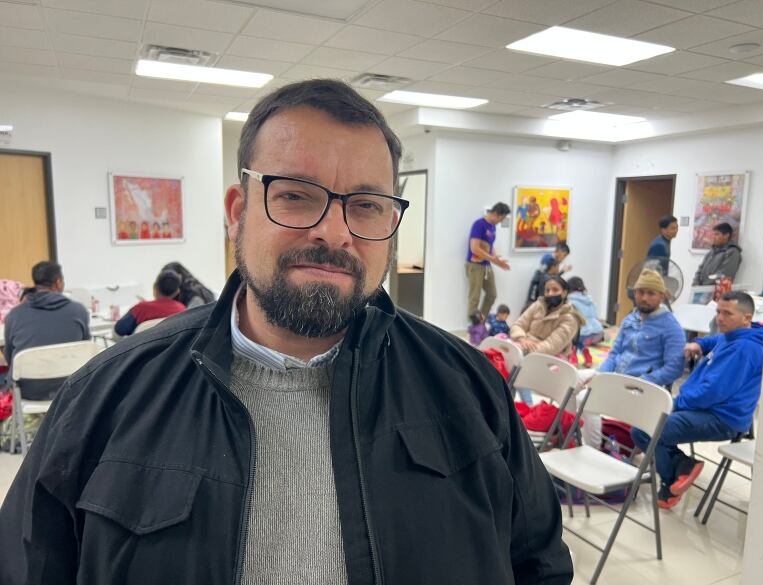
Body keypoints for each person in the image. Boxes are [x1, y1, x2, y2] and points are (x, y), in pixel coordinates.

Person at [0, 79, 572, 584]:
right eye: (296, 196)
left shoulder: (467, 388)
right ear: (236, 211)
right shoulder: (109, 395)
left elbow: (539, 563)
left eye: (367, 206)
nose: (334, 232)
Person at [631, 291, 763, 509]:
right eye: (718, 312)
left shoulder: (745, 349)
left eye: (727, 314)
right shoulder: (737, 335)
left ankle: (672, 479)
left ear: (747, 318)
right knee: (641, 427)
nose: (719, 318)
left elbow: (712, 393)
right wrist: (700, 344)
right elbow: (718, 339)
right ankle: (681, 466)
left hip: (722, 418)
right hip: (705, 408)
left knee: (649, 428)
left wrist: (676, 403)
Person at [577, 269, 685, 448]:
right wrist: (600, 375)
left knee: (585, 399)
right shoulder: (630, 319)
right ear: (634, 293)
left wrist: (643, 380)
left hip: (641, 387)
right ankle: (578, 433)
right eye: (641, 292)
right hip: (617, 377)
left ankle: (592, 449)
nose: (644, 298)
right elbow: (615, 353)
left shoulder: (671, 327)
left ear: (662, 296)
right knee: (573, 380)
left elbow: (674, 368)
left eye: (651, 293)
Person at [1, 261, 90, 398]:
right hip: (71, 389)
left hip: (27, 392)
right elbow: (85, 349)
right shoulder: (79, 311)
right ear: (58, 282)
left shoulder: (15, 315)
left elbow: (10, 357)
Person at [510, 275, 584, 404]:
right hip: (525, 346)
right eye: (547, 290)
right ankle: (507, 407)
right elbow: (517, 325)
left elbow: (551, 346)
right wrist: (522, 339)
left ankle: (527, 407)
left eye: (555, 290)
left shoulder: (571, 317)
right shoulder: (538, 305)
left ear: (565, 292)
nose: (550, 294)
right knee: (503, 358)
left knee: (516, 367)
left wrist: (524, 349)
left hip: (550, 358)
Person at [465, 202, 511, 320]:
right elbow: (474, 248)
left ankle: (480, 321)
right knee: (474, 297)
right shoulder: (479, 224)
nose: (501, 221)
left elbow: (490, 246)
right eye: (501, 218)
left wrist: (496, 259)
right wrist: (493, 259)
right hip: (475, 265)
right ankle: (473, 328)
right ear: (496, 214)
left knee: (492, 294)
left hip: (486, 265)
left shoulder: (492, 226)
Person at [113, 270, 187, 336]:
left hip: (142, 350)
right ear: (177, 292)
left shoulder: (141, 308)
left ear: (155, 287)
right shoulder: (182, 310)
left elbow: (119, 330)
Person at [566, 276, 604, 368]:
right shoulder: (588, 299)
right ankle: (588, 360)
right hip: (596, 331)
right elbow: (595, 314)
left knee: (572, 344)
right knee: (581, 344)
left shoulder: (569, 300)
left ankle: (573, 361)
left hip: (581, 330)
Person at [526, 243, 571, 309]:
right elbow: (548, 277)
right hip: (537, 285)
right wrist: (562, 271)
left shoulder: (554, 261)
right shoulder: (548, 258)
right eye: (564, 255)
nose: (564, 258)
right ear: (559, 251)